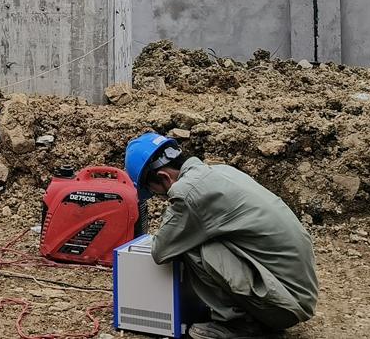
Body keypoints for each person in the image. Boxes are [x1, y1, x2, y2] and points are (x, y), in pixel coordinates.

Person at [124, 132, 318, 338]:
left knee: (192, 246)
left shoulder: (188, 192)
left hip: (283, 306)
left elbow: (161, 250)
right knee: (199, 235)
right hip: (295, 293)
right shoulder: (221, 171)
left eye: (155, 192)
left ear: (164, 177)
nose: (160, 197)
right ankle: (250, 315)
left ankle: (240, 325)